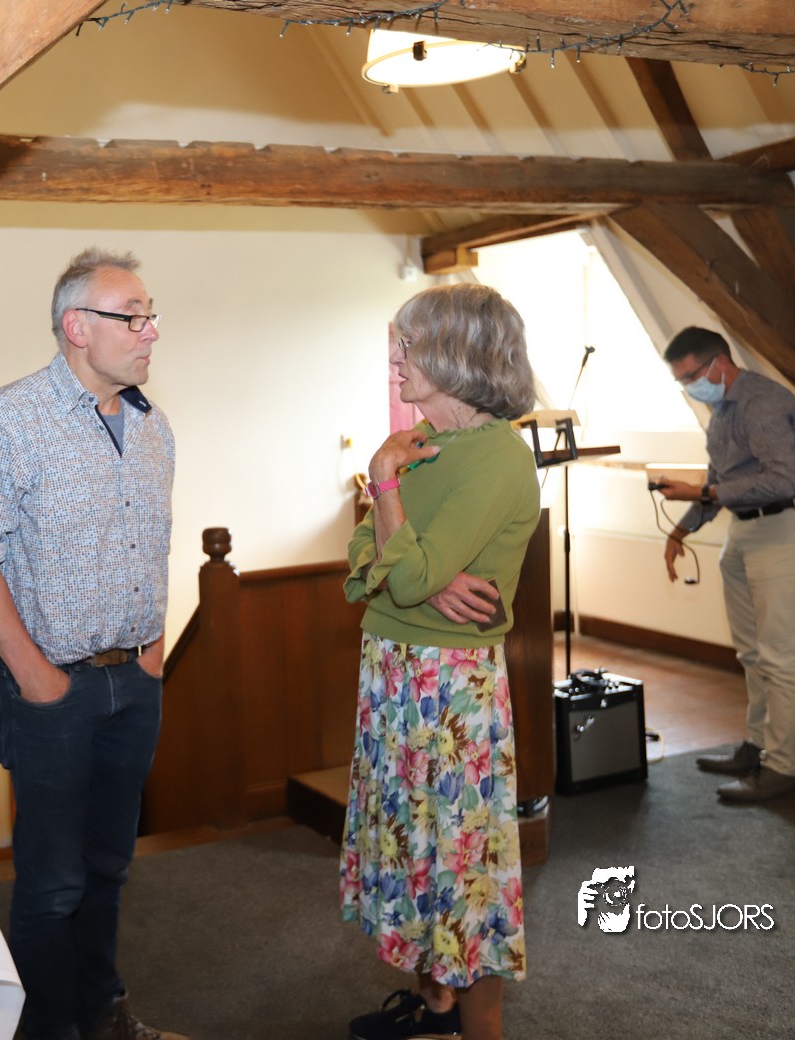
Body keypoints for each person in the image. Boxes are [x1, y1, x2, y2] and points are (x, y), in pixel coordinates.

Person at [0, 249, 184, 1040]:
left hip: (133, 683)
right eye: (132, 316)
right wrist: (34, 675)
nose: (151, 330)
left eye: (151, 315)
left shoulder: (153, 425)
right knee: (52, 886)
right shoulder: (6, 421)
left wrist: (153, 651)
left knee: (110, 867)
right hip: (52, 691)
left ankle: (101, 1012)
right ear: (78, 327)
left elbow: (154, 543)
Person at [341, 283, 539, 1040]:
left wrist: (386, 489)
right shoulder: (427, 440)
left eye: (408, 346)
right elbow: (364, 558)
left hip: (445, 683)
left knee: (460, 865)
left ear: (459, 354)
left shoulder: (496, 456)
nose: (395, 360)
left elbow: (406, 573)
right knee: (414, 847)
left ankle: (478, 1028)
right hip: (395, 672)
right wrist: (413, 568)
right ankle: (436, 1007)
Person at [655, 326, 795, 803]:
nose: (688, 386)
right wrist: (681, 530)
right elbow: (720, 481)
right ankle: (757, 747)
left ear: (719, 364)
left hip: (786, 526)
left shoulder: (763, 402)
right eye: (680, 380)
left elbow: (781, 480)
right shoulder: (721, 411)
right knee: (751, 653)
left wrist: (701, 492)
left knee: (778, 656)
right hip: (746, 530)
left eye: (691, 376)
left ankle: (783, 768)